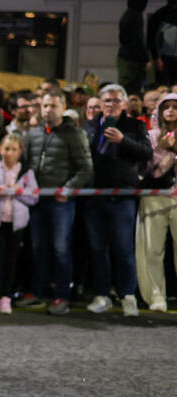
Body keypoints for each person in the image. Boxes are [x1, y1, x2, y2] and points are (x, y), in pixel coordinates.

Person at [18, 89, 93, 315]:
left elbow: (86, 169)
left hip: (61, 202)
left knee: (61, 249)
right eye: (45, 106)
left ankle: (61, 296)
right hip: (37, 200)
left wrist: (68, 189)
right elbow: (26, 164)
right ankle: (37, 292)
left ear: (62, 107)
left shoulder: (75, 134)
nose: (48, 110)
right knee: (37, 248)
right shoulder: (33, 134)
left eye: (53, 106)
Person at [80, 84, 151, 317]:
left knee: (123, 248)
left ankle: (127, 294)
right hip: (94, 196)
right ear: (100, 104)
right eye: (107, 101)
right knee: (98, 248)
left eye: (116, 101)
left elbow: (146, 153)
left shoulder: (135, 125)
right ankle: (102, 294)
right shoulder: (89, 126)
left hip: (123, 196)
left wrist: (123, 141)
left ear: (124, 104)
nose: (111, 105)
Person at [0, 133, 38, 314]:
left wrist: (18, 191)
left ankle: (6, 297)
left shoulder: (27, 173)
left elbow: (34, 197)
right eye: (6, 149)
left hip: (16, 224)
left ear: (20, 152)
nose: (9, 153)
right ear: (0, 150)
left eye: (13, 149)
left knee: (11, 260)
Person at [136, 93, 177, 311]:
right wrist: (161, 148)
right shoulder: (150, 135)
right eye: (166, 107)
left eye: (175, 107)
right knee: (151, 249)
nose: (170, 111)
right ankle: (155, 296)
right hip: (154, 197)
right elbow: (145, 170)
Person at [117, 0, 151, 95]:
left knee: (127, 85)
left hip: (126, 56)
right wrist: (145, 58)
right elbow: (138, 39)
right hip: (132, 60)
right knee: (132, 86)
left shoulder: (127, 15)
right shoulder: (135, 16)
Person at [147, 0, 177, 87]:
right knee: (163, 85)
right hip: (165, 57)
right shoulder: (161, 14)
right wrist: (157, 57)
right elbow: (152, 38)